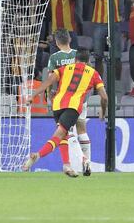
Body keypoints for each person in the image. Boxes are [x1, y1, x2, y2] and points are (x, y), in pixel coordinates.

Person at [24, 49, 108, 177]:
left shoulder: (65, 68)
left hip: (57, 106)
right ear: (89, 61)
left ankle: (66, 165)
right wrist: (103, 110)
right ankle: (38, 155)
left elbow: (48, 82)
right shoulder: (93, 73)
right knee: (59, 135)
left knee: (64, 135)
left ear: (75, 60)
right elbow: (104, 97)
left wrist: (33, 95)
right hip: (72, 107)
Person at [46, 30, 92, 176]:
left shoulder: (54, 58)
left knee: (67, 132)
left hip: (65, 100)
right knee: (82, 130)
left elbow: (50, 78)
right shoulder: (77, 55)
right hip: (81, 98)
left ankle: (80, 161)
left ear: (57, 42)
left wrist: (49, 94)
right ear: (70, 39)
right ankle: (88, 163)